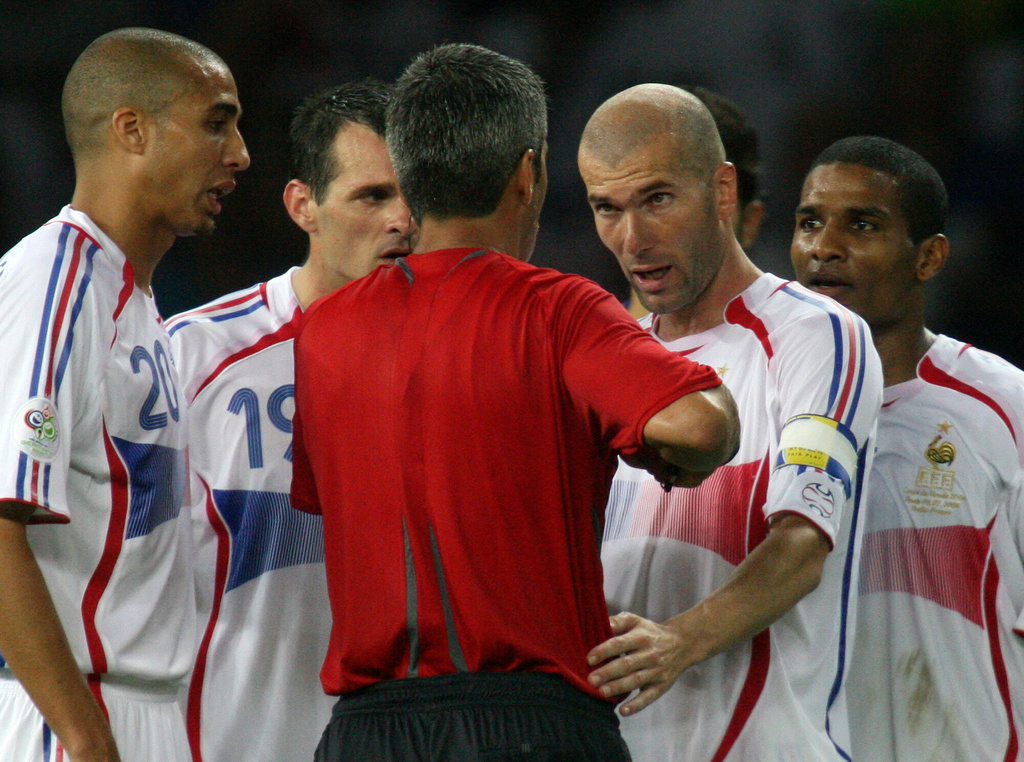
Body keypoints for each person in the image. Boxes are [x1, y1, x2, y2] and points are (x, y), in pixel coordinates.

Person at [289, 44, 740, 762]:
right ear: (527, 175)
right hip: (530, 724)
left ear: (410, 175)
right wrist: (676, 456)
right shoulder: (557, 309)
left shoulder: (321, 331)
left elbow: (329, 495)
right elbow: (697, 424)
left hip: (366, 733)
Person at [578, 84, 882, 761]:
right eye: (608, 208)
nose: (632, 239)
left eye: (657, 199)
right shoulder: (606, 359)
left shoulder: (818, 335)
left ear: (722, 191)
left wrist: (677, 642)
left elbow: (803, 542)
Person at [0, 27, 248, 762]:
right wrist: (82, 735)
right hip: (71, 713)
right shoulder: (56, 286)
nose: (239, 154)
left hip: (140, 711)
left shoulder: (133, 301)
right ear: (130, 130)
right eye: (216, 122)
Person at [165, 80, 414, 762]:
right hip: (223, 741)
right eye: (374, 196)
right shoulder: (193, 360)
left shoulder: (468, 367)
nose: (403, 220)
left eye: (416, 196)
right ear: (303, 204)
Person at [791, 136, 1024, 761]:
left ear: (928, 258)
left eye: (862, 224)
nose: (824, 247)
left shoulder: (1003, 406)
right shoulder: (759, 412)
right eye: (810, 222)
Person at [625, 86, 765, 319]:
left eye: (661, 198)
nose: (639, 236)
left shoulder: (797, 338)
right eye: (656, 200)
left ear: (750, 222)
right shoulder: (579, 346)